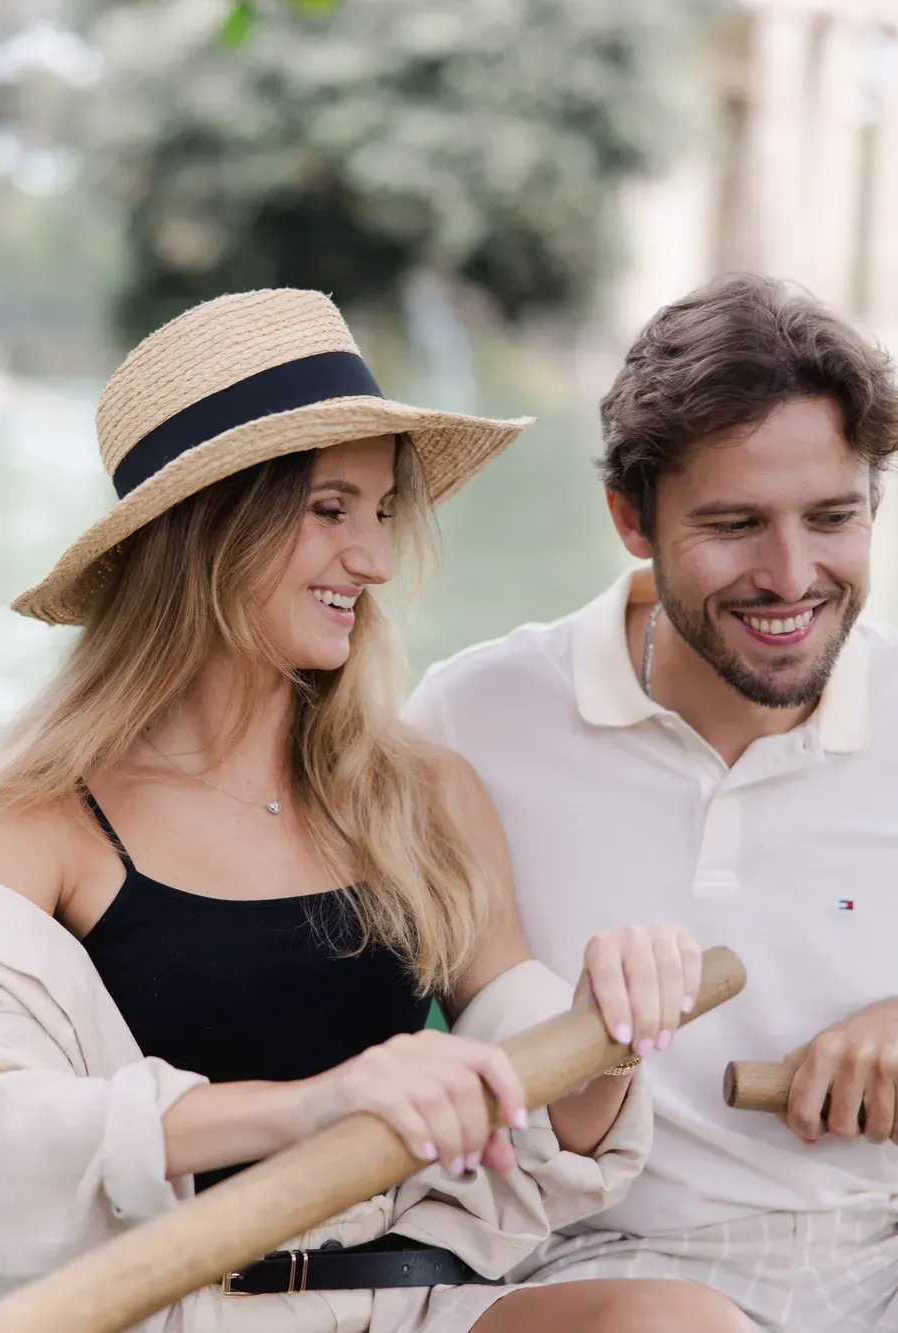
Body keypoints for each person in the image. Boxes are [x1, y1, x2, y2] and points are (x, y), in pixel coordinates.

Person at [0, 289, 746, 1333]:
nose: (376, 561)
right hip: (179, 1315)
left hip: (414, 1305)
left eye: (381, 512)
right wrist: (318, 1103)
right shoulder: (28, 821)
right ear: (207, 528)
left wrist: (606, 1032)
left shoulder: (422, 794)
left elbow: (556, 1130)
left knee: (675, 1318)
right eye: (330, 509)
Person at [406, 272, 898, 1332]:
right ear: (631, 518)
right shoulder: (467, 719)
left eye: (831, 517)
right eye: (733, 524)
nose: (790, 576)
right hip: (589, 1270)